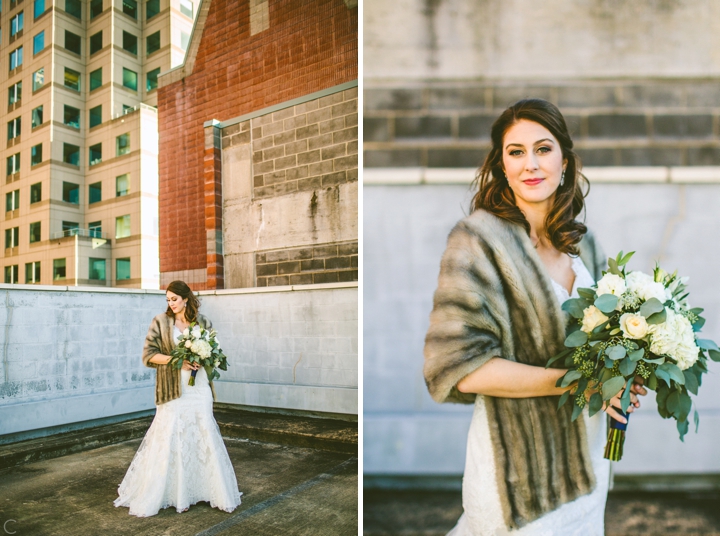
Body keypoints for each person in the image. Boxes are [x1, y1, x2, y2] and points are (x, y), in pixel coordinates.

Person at [423, 99, 647, 535]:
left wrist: (620, 380)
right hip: (518, 480)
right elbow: (459, 369)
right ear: (501, 165)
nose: (531, 164)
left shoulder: (586, 245)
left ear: (565, 160)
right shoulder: (478, 243)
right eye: (516, 151)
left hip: (588, 463)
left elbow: (607, 350)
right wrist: (582, 382)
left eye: (543, 149)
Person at [114, 280, 243, 517]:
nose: (170, 303)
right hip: (173, 390)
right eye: (167, 300)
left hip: (199, 387)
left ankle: (206, 490)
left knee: (203, 430)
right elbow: (148, 356)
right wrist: (177, 360)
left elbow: (214, 352)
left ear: (186, 298)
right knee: (173, 434)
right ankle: (174, 493)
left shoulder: (203, 322)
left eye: (174, 299)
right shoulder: (160, 322)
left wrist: (206, 358)